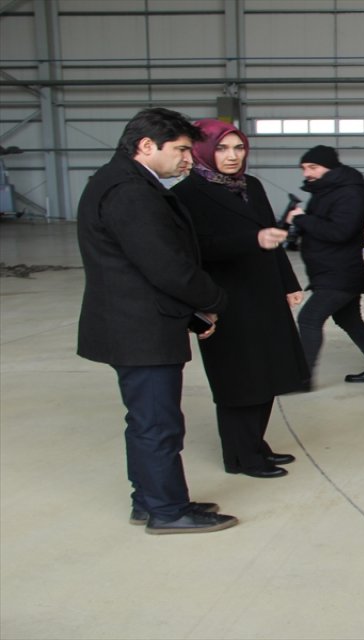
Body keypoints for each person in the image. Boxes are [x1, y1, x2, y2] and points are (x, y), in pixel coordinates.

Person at [76, 107, 238, 534]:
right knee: (158, 423)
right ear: (147, 146)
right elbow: (165, 266)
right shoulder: (130, 192)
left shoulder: (119, 181)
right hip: (139, 329)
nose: (187, 158)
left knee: (147, 421)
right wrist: (214, 300)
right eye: (181, 150)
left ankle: (150, 501)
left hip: (135, 321)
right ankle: (168, 511)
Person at [171, 119, 309, 478]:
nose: (232, 156)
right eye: (221, 148)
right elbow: (195, 249)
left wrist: (288, 282)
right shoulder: (187, 194)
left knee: (268, 374)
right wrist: (251, 241)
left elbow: (270, 236)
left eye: (238, 147)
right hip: (226, 299)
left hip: (264, 292)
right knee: (239, 381)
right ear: (202, 151)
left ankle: (254, 444)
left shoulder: (251, 186)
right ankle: (241, 456)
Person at [284, 145, 364, 386]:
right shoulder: (326, 191)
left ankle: (301, 379)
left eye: (313, 167)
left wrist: (301, 219)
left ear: (330, 168)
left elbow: (340, 231)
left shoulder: (350, 194)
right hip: (331, 270)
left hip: (343, 272)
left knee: (309, 318)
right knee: (349, 320)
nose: (307, 173)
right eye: (304, 168)